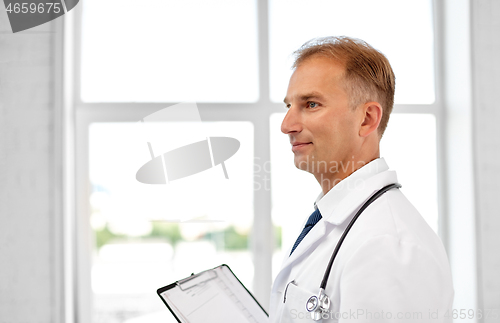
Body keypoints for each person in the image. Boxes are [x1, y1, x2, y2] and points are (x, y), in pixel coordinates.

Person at [269, 36, 454, 322]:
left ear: (367, 119)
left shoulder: (387, 245)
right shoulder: (337, 220)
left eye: (311, 104)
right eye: (288, 106)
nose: (286, 125)